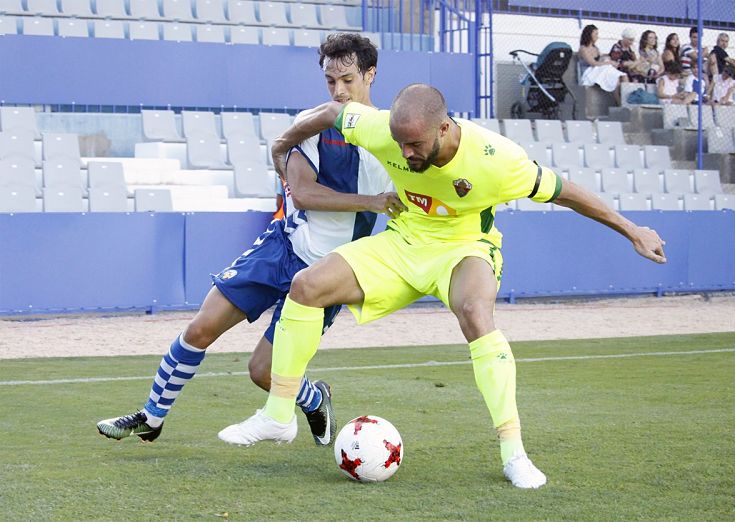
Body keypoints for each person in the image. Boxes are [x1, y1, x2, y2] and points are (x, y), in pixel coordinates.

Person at [219, 84, 668, 489]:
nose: (406, 152)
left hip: (464, 247)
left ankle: (514, 452)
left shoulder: (498, 160)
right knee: (306, 286)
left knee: (475, 314)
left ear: (445, 128)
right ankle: (278, 416)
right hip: (405, 240)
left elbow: (565, 191)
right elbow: (330, 112)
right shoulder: (383, 129)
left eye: (415, 143)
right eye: (400, 143)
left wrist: (632, 230)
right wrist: (282, 144)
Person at [96, 33, 405, 446]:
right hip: (283, 248)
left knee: (263, 372)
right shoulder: (313, 122)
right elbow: (305, 193)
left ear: (371, 74)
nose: (338, 91)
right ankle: (151, 417)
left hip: (330, 273)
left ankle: (315, 398)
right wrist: (374, 201)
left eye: (348, 80)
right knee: (200, 328)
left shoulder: (391, 140)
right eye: (330, 81)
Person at [578, 24, 626, 102]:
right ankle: (619, 102)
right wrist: (609, 63)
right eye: (596, 34)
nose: (597, 36)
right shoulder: (583, 49)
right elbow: (593, 63)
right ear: (589, 35)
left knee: (620, 75)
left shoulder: (596, 48)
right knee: (612, 72)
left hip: (597, 69)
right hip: (588, 72)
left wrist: (607, 59)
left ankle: (624, 101)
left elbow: (600, 60)